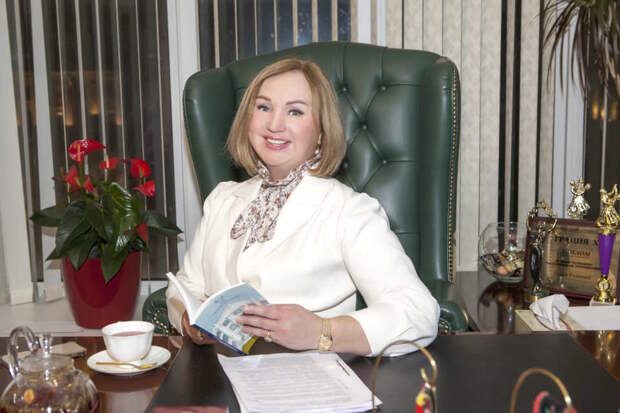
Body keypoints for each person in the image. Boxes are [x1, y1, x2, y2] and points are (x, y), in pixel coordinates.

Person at [166, 58, 440, 356]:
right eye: (264, 107)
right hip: (218, 374)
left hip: (308, 377)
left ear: (321, 131)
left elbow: (418, 312)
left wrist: (322, 331)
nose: (274, 124)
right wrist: (188, 320)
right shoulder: (222, 200)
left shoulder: (349, 211)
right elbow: (185, 287)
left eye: (295, 111)